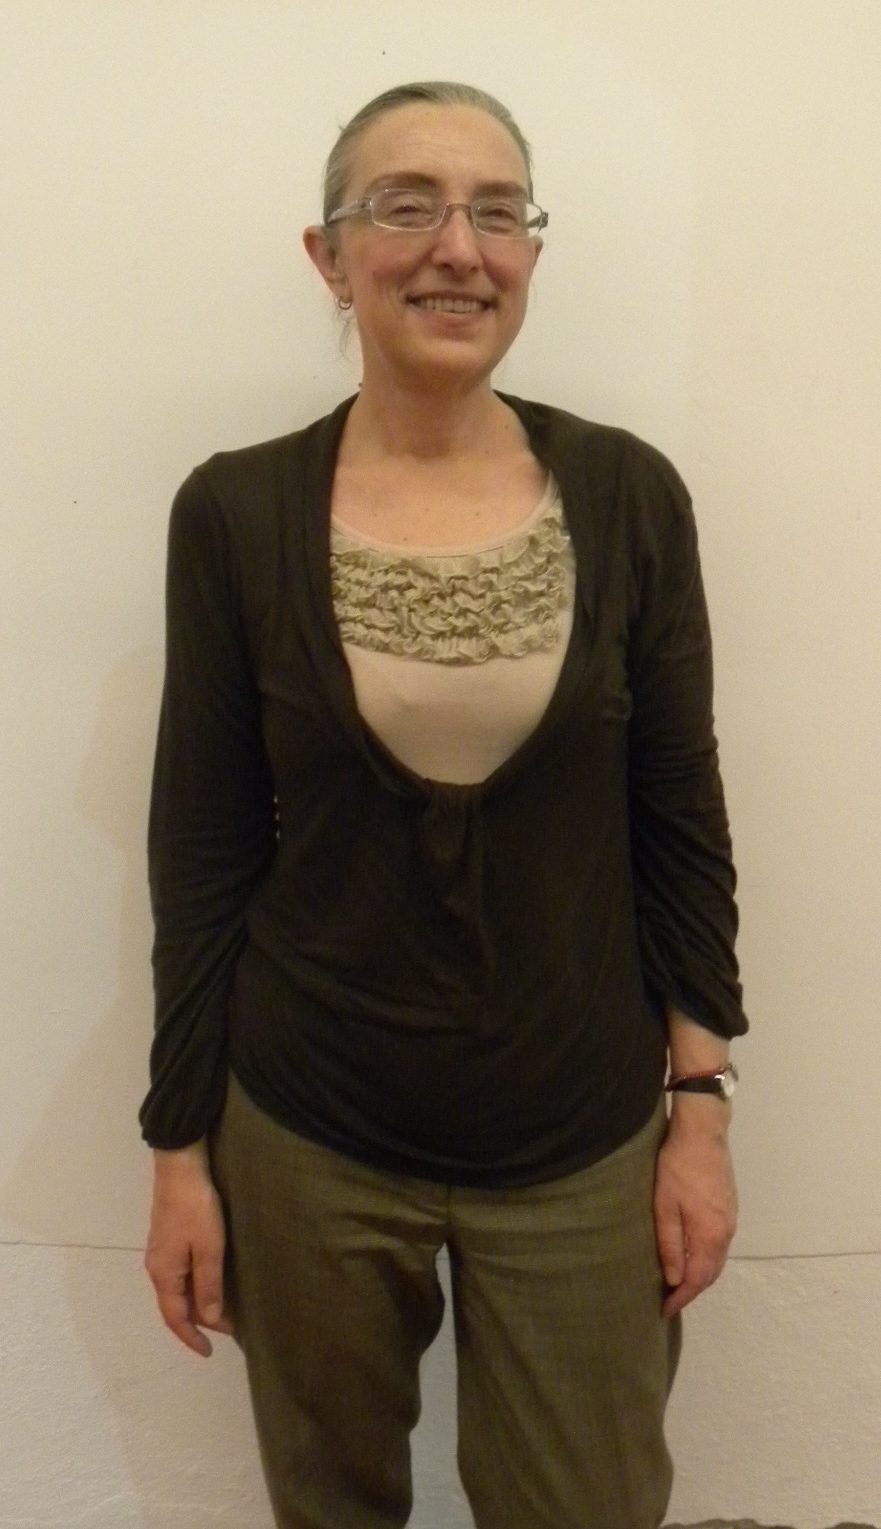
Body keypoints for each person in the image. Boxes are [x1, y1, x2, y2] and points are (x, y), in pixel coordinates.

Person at [141, 80, 746, 1529]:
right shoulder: (233, 513)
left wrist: (700, 1115)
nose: (456, 248)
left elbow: (678, 821)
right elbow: (203, 853)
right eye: (404, 206)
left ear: (530, 250)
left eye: (496, 211)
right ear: (329, 254)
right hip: (308, 1129)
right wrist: (179, 1151)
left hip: (578, 1133)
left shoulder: (627, 496)